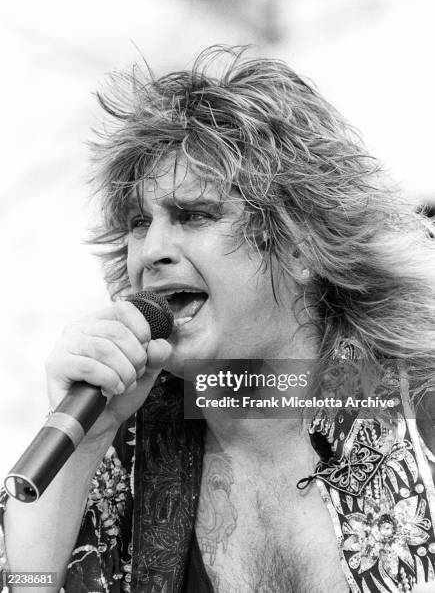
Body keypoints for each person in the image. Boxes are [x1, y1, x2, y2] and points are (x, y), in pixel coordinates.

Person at [1, 46, 434, 593]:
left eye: (194, 215)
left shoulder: (416, 407)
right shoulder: (124, 443)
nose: (151, 250)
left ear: (299, 245)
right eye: (138, 222)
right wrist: (86, 443)